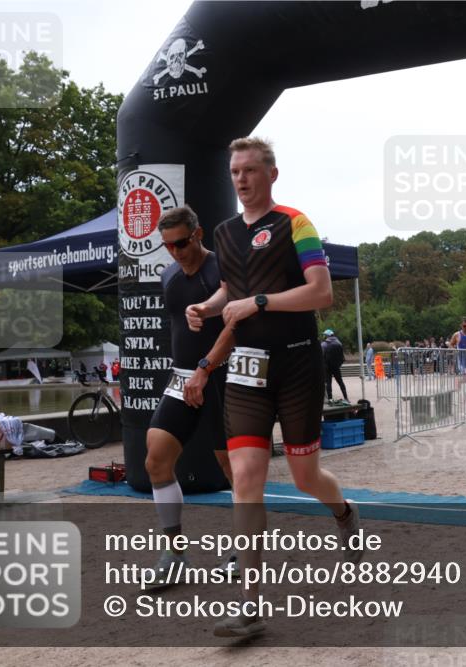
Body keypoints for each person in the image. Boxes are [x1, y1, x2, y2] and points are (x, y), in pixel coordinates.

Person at [185, 136, 361, 639]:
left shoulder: (295, 223)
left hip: (298, 366)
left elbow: (320, 291)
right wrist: (209, 307)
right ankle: (251, 607)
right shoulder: (222, 231)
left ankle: (345, 513)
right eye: (235, 171)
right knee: (245, 477)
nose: (240, 179)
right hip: (246, 372)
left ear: (272, 175)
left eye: (250, 170)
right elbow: (229, 291)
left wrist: (258, 302)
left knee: (306, 478)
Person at [144, 205, 236, 584]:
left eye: (181, 243)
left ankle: (241, 552)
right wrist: (187, 372)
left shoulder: (222, 269)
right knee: (155, 460)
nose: (175, 252)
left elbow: (236, 330)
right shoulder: (168, 276)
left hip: (221, 376)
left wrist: (206, 367)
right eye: (167, 246)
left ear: (198, 234)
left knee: (233, 469)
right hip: (183, 378)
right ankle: (175, 554)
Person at [322, 329, 348, 402]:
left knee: (328, 383)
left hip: (327, 367)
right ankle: (346, 397)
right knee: (340, 382)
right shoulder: (339, 343)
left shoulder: (324, 344)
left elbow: (321, 356)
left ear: (327, 335)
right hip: (336, 367)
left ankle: (330, 399)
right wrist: (338, 365)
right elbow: (342, 358)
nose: (323, 336)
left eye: (324, 335)